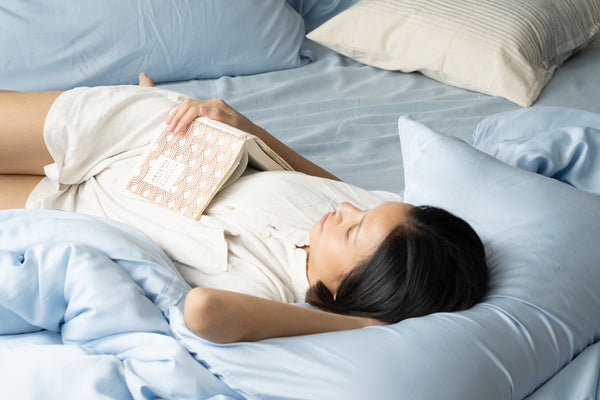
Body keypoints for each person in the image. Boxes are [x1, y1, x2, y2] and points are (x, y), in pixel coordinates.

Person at [0, 73, 488, 343]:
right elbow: (315, 179)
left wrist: (357, 324)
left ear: (353, 290)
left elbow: (202, 309)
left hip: (82, 208)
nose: (343, 207)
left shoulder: (272, 297)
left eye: (353, 230)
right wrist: (241, 122)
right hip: (147, 134)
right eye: (362, 211)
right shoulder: (384, 217)